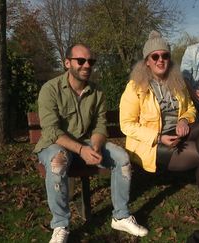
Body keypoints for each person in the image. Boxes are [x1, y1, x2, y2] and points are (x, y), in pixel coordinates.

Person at [119, 31, 199, 232]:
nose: (161, 60)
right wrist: (158, 137)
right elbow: (126, 124)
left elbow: (191, 109)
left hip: (177, 134)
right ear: (147, 62)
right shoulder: (135, 87)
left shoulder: (176, 82)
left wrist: (184, 119)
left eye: (165, 56)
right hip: (151, 144)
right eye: (155, 56)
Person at [34, 44, 148, 243]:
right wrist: (81, 149)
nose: (87, 65)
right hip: (55, 144)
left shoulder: (97, 92)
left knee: (122, 158)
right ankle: (61, 225)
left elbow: (100, 126)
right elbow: (51, 131)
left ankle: (120, 216)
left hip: (86, 143)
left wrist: (95, 146)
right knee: (57, 160)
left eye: (91, 61)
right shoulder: (50, 89)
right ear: (67, 62)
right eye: (81, 61)